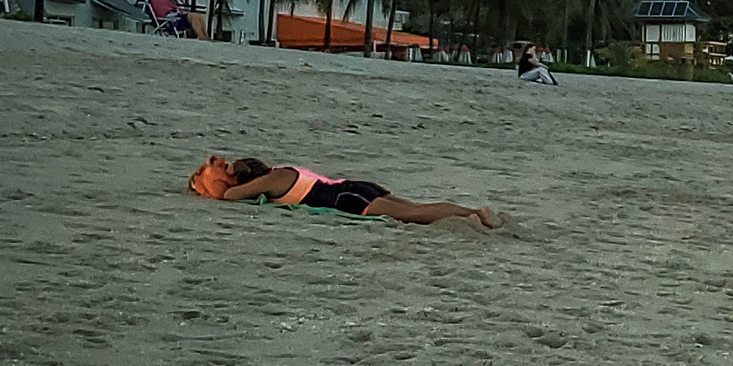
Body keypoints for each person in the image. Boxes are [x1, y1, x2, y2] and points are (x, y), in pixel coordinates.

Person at [186, 155, 501, 228]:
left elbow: (224, 196)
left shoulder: (270, 182)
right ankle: (469, 210)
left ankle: (474, 214)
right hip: (352, 185)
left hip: (343, 200)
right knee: (413, 206)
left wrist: (201, 179)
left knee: (411, 215)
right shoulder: (283, 170)